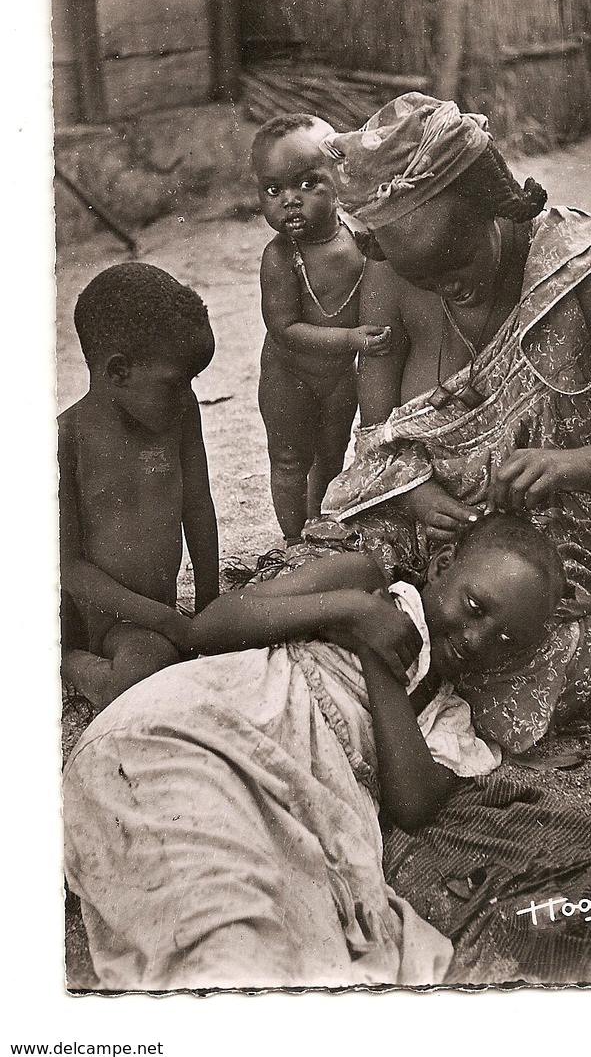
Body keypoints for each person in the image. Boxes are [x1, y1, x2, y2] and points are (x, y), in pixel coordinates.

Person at [294, 91, 591, 753]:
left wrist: (578, 463)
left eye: (459, 266)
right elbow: (373, 436)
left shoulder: (589, 273)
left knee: (500, 692)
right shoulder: (389, 272)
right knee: (295, 602)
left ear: (495, 210)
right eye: (426, 280)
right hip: (417, 518)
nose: (450, 290)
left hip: (545, 542)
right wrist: (411, 489)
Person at [63, 513, 564, 990]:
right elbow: (207, 630)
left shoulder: (447, 716)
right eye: (475, 607)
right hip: (202, 730)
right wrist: (350, 609)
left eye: (505, 640)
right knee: (215, 914)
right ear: (441, 565)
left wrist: (374, 657)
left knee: (274, 932)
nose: (478, 639)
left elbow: (411, 801)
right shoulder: (363, 579)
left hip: (288, 802)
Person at [59, 262, 219, 711]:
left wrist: (208, 605)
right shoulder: (67, 440)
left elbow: (198, 508)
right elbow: (70, 568)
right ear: (117, 371)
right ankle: (68, 663)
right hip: (103, 621)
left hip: (158, 615)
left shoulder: (179, 415)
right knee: (148, 669)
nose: (186, 394)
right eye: (174, 383)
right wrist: (170, 622)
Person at [252, 113, 392, 545]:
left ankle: (318, 523)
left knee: (330, 457)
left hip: (338, 379)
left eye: (308, 184)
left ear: (339, 182)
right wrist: (350, 339)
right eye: (274, 190)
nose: (290, 200)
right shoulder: (281, 257)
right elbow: (284, 329)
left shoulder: (358, 239)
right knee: (291, 460)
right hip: (288, 376)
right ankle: (294, 541)